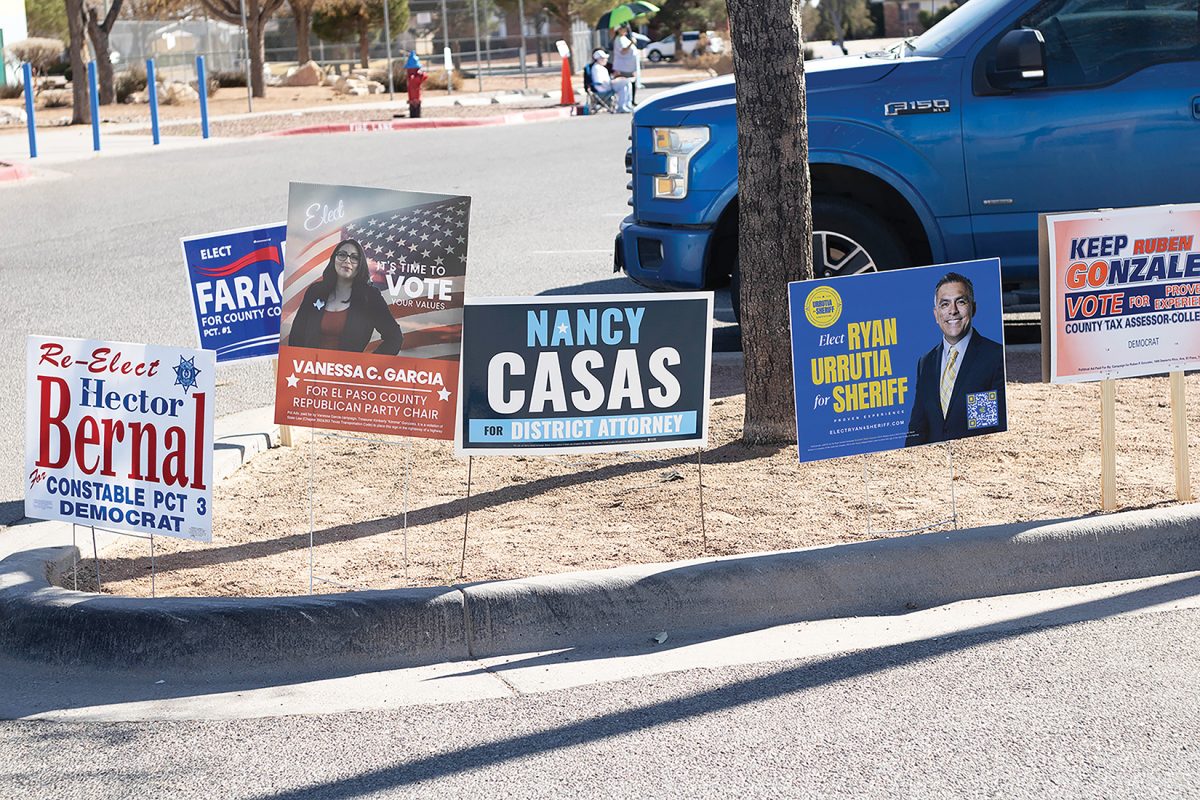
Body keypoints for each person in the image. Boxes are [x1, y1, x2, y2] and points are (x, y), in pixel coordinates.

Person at [906, 272, 1006, 446]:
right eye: (945, 304)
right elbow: (918, 427)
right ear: (936, 315)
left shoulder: (994, 356)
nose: (953, 311)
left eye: (961, 301)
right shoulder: (925, 363)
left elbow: (991, 428)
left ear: (973, 308)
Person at [287, 238, 404, 355]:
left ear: (360, 264)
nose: (347, 261)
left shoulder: (369, 297)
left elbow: (394, 337)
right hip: (309, 368)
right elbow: (297, 335)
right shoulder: (315, 291)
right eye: (342, 255)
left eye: (354, 258)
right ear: (334, 259)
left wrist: (367, 367)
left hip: (347, 372)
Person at [588, 49, 632, 113]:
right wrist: (614, 81)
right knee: (625, 83)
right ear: (599, 59)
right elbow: (602, 82)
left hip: (607, 86)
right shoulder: (596, 68)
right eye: (604, 58)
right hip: (603, 89)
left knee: (627, 83)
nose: (606, 60)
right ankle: (621, 107)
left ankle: (627, 105)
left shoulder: (601, 68)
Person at [610, 31, 640, 107]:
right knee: (627, 85)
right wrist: (631, 43)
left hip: (629, 66)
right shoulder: (618, 39)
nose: (625, 30)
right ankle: (625, 103)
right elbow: (623, 51)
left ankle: (630, 101)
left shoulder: (624, 38)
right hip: (623, 67)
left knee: (632, 84)